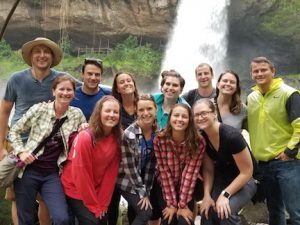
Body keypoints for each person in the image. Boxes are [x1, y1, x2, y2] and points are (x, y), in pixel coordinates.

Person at [0, 37, 64, 225]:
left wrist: (119, 91)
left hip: (47, 148)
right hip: (18, 145)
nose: (42, 56)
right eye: (38, 51)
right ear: (30, 56)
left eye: (46, 52)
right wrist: (1, 146)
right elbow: (4, 112)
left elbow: (87, 87)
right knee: (16, 196)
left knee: (44, 196)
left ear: (52, 57)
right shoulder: (16, 79)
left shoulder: (60, 79)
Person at [9, 75, 86, 225]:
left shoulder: (76, 115)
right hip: (28, 170)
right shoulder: (39, 109)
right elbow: (13, 131)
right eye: (61, 89)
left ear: (74, 93)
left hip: (53, 173)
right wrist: (21, 152)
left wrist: (85, 128)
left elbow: (84, 138)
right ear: (53, 91)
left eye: (69, 89)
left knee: (61, 218)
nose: (65, 93)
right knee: (26, 218)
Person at [247, 56, 300, 225]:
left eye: (264, 70)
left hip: (287, 162)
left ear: (273, 71)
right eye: (256, 71)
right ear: (251, 74)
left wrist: (289, 151)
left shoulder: (289, 93)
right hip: (263, 163)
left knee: (295, 211)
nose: (260, 73)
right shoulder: (251, 98)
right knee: (274, 210)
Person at [193, 98, 257, 225]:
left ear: (214, 113)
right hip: (222, 178)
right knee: (208, 210)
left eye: (204, 113)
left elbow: (247, 172)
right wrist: (206, 196)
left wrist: (225, 195)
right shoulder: (202, 137)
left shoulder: (231, 136)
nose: (200, 118)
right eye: (196, 115)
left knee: (225, 211)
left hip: (246, 180)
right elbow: (208, 169)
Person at [61, 96, 122, 225]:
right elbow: (81, 175)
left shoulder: (117, 138)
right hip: (75, 189)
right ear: (99, 112)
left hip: (95, 189)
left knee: (103, 219)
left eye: (115, 112)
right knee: (93, 222)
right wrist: (94, 206)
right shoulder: (86, 137)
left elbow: (110, 174)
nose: (112, 115)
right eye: (107, 111)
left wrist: (103, 204)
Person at [153, 103, 205, 225]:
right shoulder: (160, 140)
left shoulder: (198, 141)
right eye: (176, 115)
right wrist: (171, 204)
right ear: (170, 118)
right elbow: (164, 172)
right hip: (165, 185)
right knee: (169, 219)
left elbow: (190, 174)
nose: (179, 120)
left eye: (184, 116)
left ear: (190, 120)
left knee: (184, 220)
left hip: (187, 185)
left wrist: (182, 205)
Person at [117, 94, 158, 225]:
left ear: (156, 109)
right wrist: (143, 193)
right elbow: (130, 169)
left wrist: (147, 189)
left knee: (140, 212)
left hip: (142, 180)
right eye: (141, 110)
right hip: (126, 181)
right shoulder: (129, 134)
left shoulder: (158, 132)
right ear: (136, 111)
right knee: (146, 212)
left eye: (149, 109)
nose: (146, 113)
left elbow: (151, 165)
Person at [109, 72, 139, 225]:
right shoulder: (114, 108)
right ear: (117, 88)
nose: (126, 83)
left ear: (134, 84)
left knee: (137, 205)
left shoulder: (143, 105)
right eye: (122, 82)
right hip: (115, 162)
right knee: (111, 203)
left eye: (129, 80)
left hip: (138, 164)